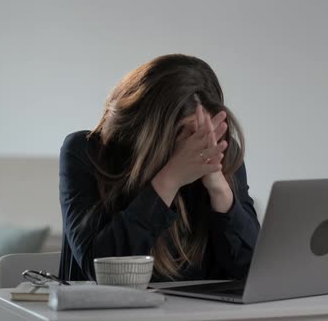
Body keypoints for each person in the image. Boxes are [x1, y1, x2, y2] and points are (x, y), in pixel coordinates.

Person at [58, 54, 260, 282]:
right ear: (153, 130)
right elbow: (100, 269)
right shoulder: (87, 152)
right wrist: (170, 179)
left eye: (205, 130)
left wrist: (219, 189)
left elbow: (254, 271)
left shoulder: (221, 153)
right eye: (187, 131)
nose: (200, 142)